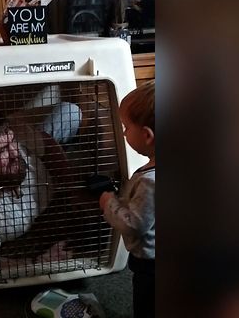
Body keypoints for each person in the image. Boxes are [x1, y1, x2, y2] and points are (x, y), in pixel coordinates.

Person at [0, 102, 82, 273]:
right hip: (30, 218)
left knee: (70, 111)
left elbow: (47, 144)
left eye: (12, 142)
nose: (14, 153)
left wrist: (70, 188)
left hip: (43, 171)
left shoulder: (19, 144)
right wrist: (38, 260)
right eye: (1, 151)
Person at [99, 80, 155, 318]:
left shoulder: (151, 182)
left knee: (147, 304)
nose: (123, 133)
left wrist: (108, 203)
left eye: (126, 127)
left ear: (146, 135)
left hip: (151, 265)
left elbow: (134, 224)